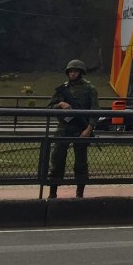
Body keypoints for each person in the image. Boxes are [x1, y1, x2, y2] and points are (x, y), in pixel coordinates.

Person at [46, 59, 98, 198]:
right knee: (57, 159)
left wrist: (89, 129)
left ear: (81, 72)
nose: (73, 73)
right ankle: (53, 193)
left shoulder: (90, 89)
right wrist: (60, 105)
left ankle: (80, 193)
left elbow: (95, 111)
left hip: (81, 128)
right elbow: (49, 107)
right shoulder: (63, 89)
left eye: (75, 71)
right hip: (64, 127)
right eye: (70, 71)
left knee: (81, 163)